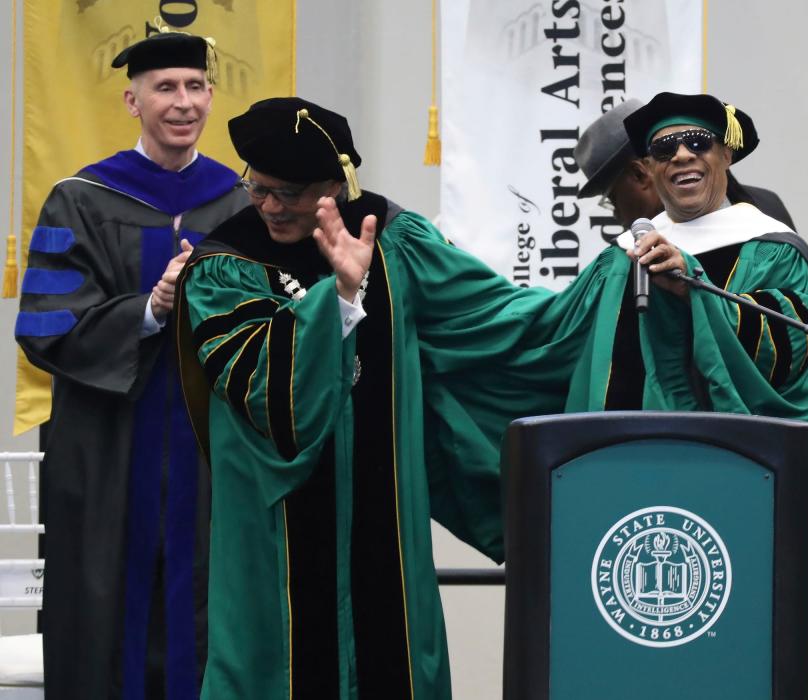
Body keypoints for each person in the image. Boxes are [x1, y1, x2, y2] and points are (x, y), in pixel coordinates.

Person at [173, 97, 637, 699]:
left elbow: (497, 321)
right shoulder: (225, 265)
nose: (267, 206)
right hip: (273, 516)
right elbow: (260, 388)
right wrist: (337, 297)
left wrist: (612, 280)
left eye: (287, 192)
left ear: (337, 186)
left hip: (381, 503)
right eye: (256, 188)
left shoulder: (397, 240)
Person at [15, 30, 248, 700]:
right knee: (102, 616)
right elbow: (44, 330)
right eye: (165, 88)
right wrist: (151, 308)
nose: (183, 102)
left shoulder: (237, 204)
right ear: (132, 100)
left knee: (207, 610)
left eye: (196, 86)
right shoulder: (81, 200)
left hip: (209, 463)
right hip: (108, 454)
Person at [620, 92, 808, 699]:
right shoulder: (625, 259)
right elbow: (557, 343)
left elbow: (793, 354)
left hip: (755, 483)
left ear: (725, 154)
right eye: (664, 148)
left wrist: (696, 288)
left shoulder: (772, 249)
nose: (683, 155)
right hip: (646, 487)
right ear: (649, 169)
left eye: (698, 142)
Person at [574, 97, 797, 230]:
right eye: (665, 148)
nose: (617, 215)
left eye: (613, 200)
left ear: (640, 174)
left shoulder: (767, 215)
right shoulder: (633, 252)